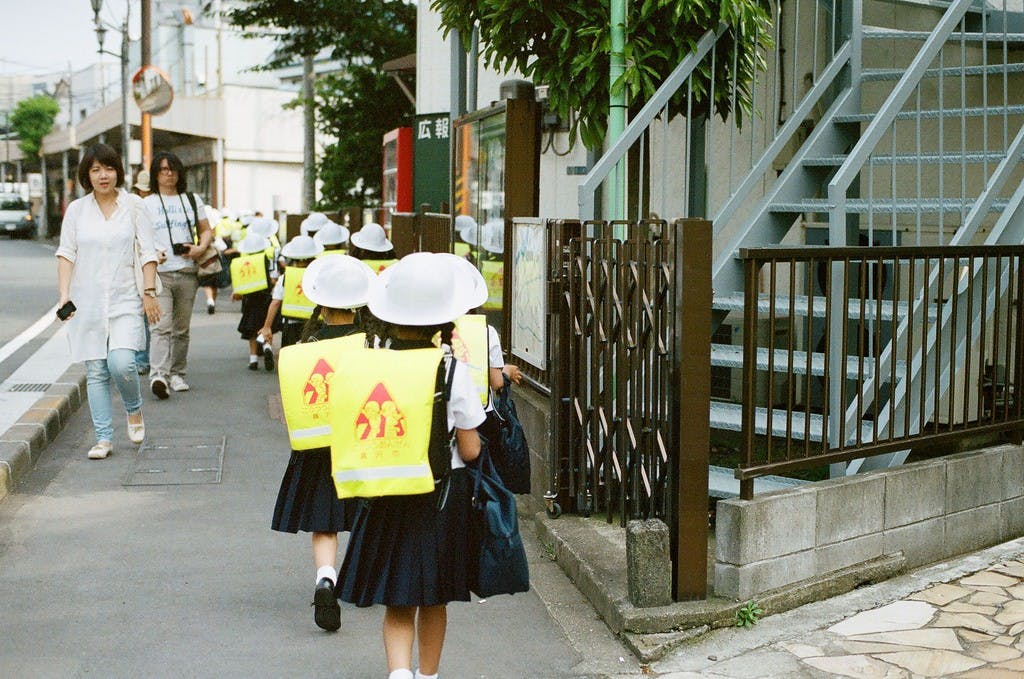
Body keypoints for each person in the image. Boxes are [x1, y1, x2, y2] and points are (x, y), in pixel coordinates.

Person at [334, 252, 486, 679]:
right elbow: (471, 448)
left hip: (381, 492)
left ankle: (398, 674)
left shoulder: (366, 366)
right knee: (432, 596)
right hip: (438, 496)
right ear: (441, 319)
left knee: (397, 597)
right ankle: (427, 675)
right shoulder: (449, 369)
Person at [272, 254, 377, 632]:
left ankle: (326, 577)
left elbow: (290, 408)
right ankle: (366, 581)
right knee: (369, 513)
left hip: (318, 447)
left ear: (321, 302)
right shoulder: (370, 344)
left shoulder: (307, 346)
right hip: (362, 445)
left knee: (325, 522)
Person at [55, 143, 162, 460]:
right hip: (87, 301)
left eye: (109, 168)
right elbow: (66, 253)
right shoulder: (77, 211)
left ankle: (134, 408)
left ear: (119, 171)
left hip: (126, 298)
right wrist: (64, 295)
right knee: (97, 369)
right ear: (87, 174)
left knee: (121, 362)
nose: (103, 175)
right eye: (96, 169)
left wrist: (150, 292)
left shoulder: (133, 206)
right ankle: (103, 438)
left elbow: (148, 252)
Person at [143, 151, 213, 399]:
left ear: (179, 172)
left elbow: (206, 230)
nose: (168, 173)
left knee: (181, 329)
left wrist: (200, 248)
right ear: (155, 174)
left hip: (187, 271)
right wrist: (153, 253)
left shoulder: (191, 200)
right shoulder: (147, 204)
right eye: (162, 169)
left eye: (172, 169)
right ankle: (158, 375)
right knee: (160, 327)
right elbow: (139, 239)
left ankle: (177, 374)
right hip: (160, 273)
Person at [259, 234, 323, 352]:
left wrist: (267, 327)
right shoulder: (320, 275)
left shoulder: (285, 277)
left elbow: (276, 302)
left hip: (292, 325)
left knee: (291, 358)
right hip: (317, 324)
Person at [230, 232, 277, 371]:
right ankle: (267, 346)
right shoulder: (266, 260)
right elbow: (273, 279)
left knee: (251, 330)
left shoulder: (240, 263)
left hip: (249, 301)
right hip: (266, 298)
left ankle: (253, 358)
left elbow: (238, 287)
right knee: (266, 326)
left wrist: (237, 293)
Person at [131, 169, 159, 375]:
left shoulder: (155, 206)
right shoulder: (132, 206)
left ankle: (148, 360)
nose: (146, 195)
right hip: (138, 267)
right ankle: (141, 359)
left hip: (157, 267)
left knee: (152, 318)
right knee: (142, 316)